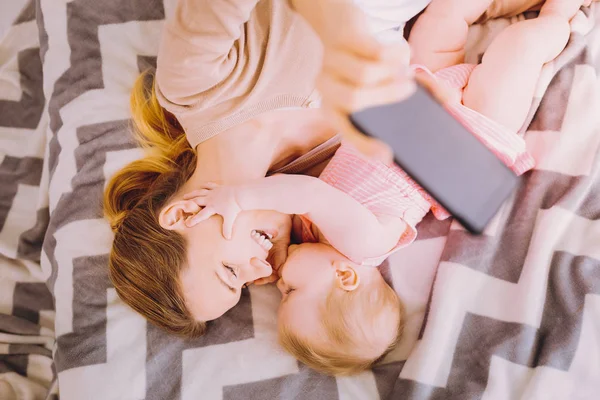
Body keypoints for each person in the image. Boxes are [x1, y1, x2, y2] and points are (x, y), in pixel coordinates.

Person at [103, 0, 559, 338]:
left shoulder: (193, 88)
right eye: (247, 285)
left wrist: (340, 38)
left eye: (230, 270)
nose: (259, 271)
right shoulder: (322, 178)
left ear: (182, 215)